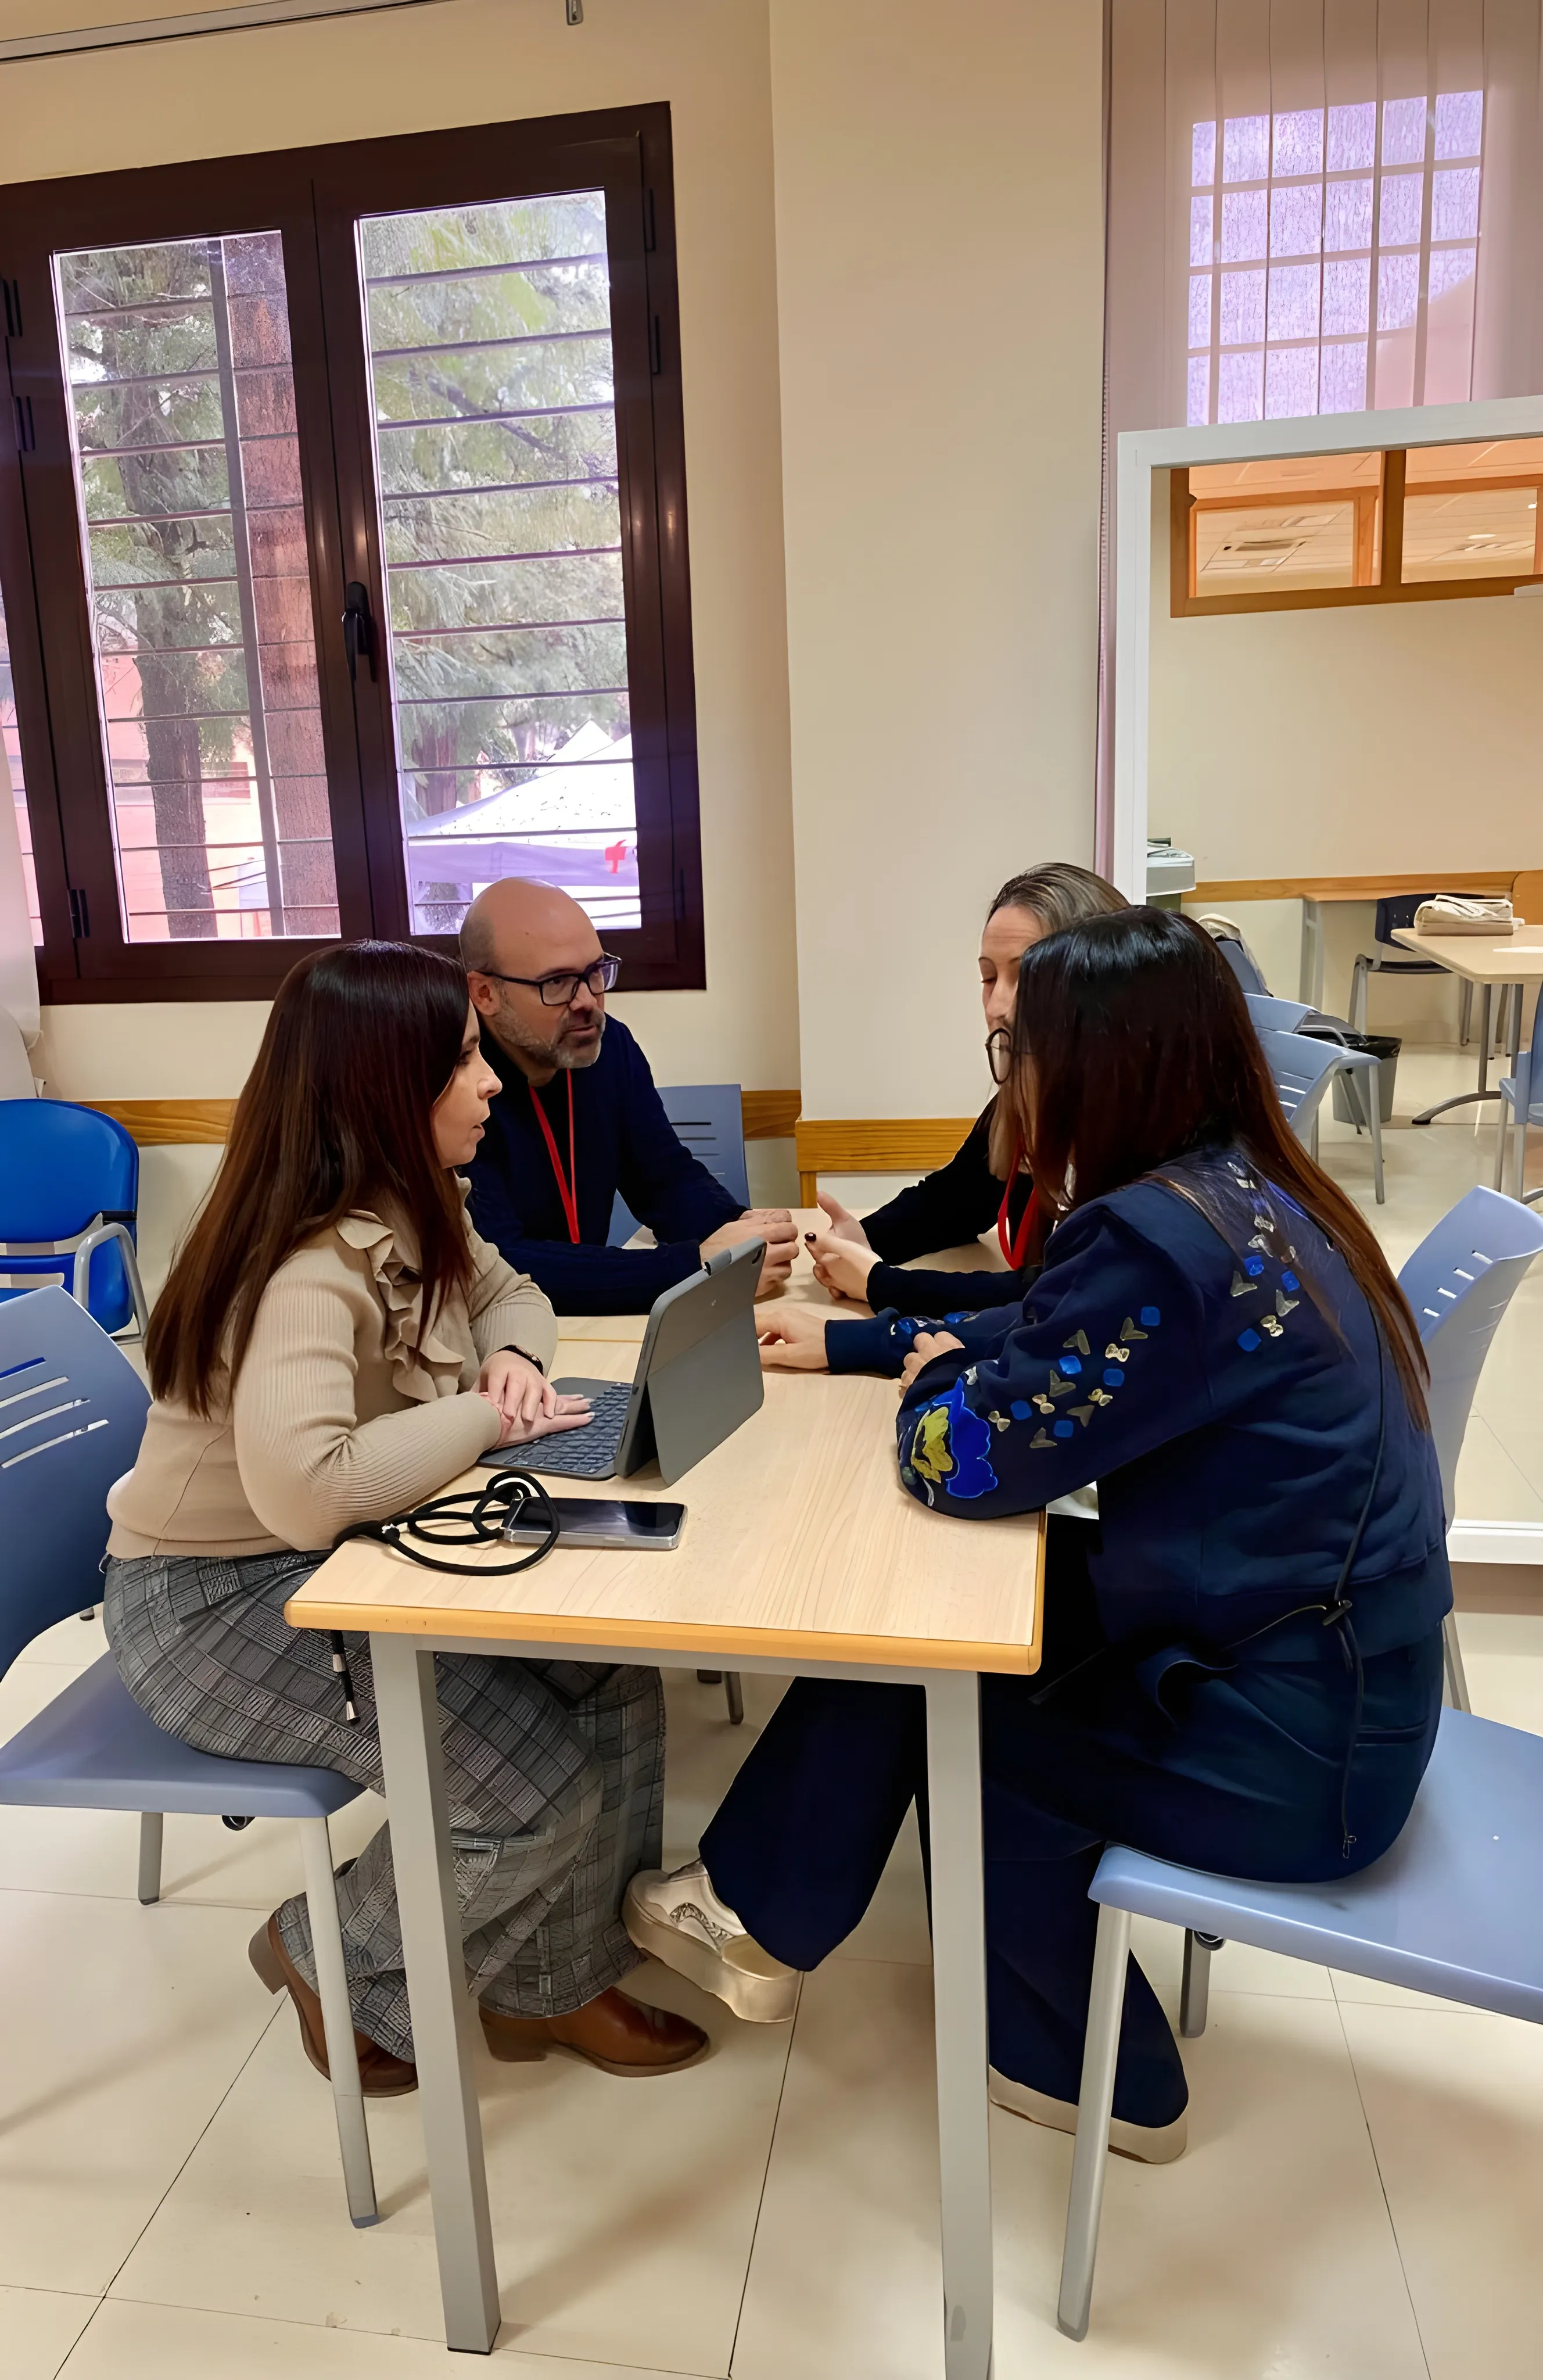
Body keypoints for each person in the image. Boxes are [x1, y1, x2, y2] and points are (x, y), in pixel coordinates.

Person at [624, 908, 1451, 2159]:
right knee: (922, 1629)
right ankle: (749, 1912)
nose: (1009, 1078)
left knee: (963, 1691)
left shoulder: (1153, 1235)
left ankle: (1095, 2072)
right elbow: (1046, 1342)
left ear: (1098, 1064)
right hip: (1324, 1671)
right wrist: (928, 1350)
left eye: (1021, 1050)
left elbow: (964, 1461)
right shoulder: (1247, 1186)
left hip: (1298, 1752)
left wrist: (929, 1379)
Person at [102, 941, 706, 2094]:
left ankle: (557, 1978)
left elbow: (505, 1289)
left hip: (328, 1561)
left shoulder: (407, 1200)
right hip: (217, 1606)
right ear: (387, 1086)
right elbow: (313, 1487)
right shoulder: (302, 1266)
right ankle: (330, 1948)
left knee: (609, 1678)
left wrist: (519, 1363)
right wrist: (486, 1415)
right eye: (465, 1061)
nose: (488, 1084)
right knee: (528, 1795)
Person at [760, 862, 1125, 1375]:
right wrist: (863, 1243)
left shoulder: (1132, 1126)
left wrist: (881, 1286)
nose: (998, 1004)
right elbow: (954, 1200)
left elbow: (1052, 1291)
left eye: (1026, 977)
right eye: (989, 977)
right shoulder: (1024, 1095)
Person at [461, 877, 797, 1313]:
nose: (588, 1002)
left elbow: (663, 1179)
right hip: (498, 1336)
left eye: (595, 973)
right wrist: (693, 1267)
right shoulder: (452, 1083)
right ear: (485, 993)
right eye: (558, 983)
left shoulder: (609, 1047)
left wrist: (741, 1235)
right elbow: (499, 1263)